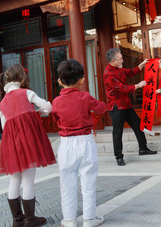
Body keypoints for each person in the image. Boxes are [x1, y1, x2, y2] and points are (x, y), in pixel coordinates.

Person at [0, 64, 56, 227]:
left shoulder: (2, 103)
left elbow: (5, 126)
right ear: (21, 78)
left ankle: (17, 220)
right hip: (28, 142)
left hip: (11, 145)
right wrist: (39, 112)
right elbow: (48, 106)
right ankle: (30, 220)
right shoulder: (26, 93)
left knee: (14, 179)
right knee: (28, 179)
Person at [52, 59, 106, 227]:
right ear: (82, 79)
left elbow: (55, 118)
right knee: (88, 181)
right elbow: (101, 108)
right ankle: (89, 219)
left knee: (67, 182)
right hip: (85, 142)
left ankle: (69, 220)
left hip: (66, 144)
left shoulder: (56, 102)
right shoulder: (85, 97)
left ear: (60, 81)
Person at [103, 48, 157, 166]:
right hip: (116, 107)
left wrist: (142, 65)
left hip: (126, 104)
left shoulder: (119, 68)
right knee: (118, 132)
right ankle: (119, 156)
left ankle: (143, 148)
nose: (122, 60)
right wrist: (138, 85)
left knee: (138, 125)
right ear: (112, 61)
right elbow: (122, 88)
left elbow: (131, 72)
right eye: (120, 59)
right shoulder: (108, 73)